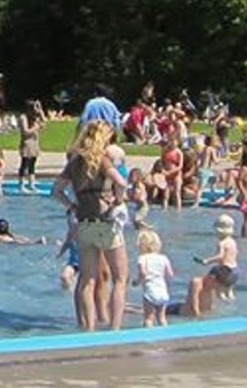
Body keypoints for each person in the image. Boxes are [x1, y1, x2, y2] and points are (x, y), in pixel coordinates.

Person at [51, 119, 129, 331]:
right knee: (120, 278)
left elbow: (56, 191)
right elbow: (121, 183)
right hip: (106, 223)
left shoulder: (75, 162)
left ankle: (89, 329)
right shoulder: (103, 161)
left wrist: (72, 206)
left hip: (84, 223)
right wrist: (118, 200)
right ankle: (115, 329)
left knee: (87, 280)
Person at [184, 214, 240, 317]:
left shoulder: (222, 243)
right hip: (235, 270)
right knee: (229, 293)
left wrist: (207, 261)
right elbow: (236, 253)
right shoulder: (233, 242)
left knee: (217, 290)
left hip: (224, 269)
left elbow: (220, 256)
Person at [133, 229, 176, 327]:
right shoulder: (163, 258)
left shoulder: (142, 258)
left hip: (150, 291)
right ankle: (166, 335)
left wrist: (137, 282)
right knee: (161, 317)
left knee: (148, 318)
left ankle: (148, 335)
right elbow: (170, 274)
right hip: (162, 291)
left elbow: (143, 273)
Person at [18, 101, 44, 194]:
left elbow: (44, 125)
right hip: (27, 143)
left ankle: (31, 183)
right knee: (24, 164)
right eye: (34, 108)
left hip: (34, 142)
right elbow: (25, 131)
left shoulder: (34, 117)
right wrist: (35, 128)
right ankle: (21, 185)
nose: (35, 110)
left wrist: (41, 112)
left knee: (32, 164)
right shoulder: (23, 117)